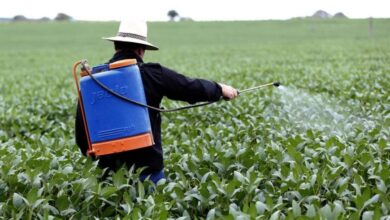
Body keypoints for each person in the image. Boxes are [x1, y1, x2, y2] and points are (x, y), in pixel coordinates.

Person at [75, 21, 238, 184]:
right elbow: (189, 87)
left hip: (109, 177)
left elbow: (82, 136)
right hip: (148, 174)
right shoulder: (152, 74)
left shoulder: (92, 81)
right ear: (141, 50)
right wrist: (219, 89)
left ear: (116, 46)